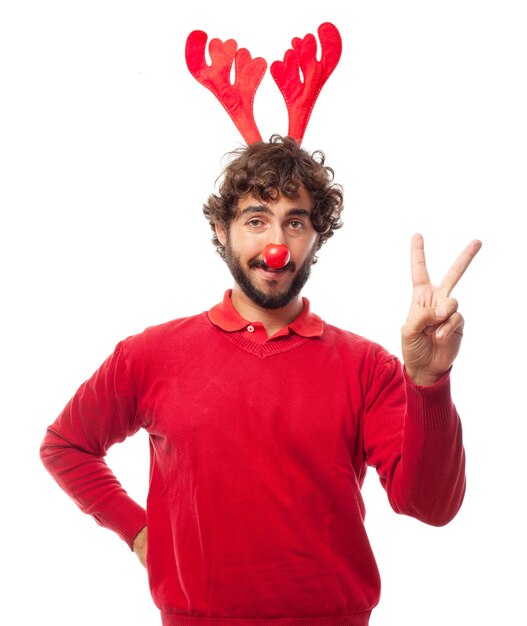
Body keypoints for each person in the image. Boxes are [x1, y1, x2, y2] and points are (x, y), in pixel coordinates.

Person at [40, 134, 481, 626]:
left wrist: (428, 380)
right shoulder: (149, 355)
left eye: (295, 223)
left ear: (317, 238)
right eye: (256, 220)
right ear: (221, 229)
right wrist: (139, 531)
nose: (276, 246)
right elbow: (66, 446)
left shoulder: (367, 367)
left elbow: (432, 505)